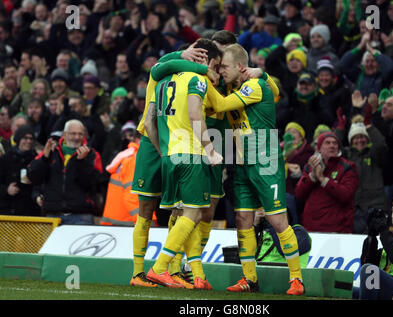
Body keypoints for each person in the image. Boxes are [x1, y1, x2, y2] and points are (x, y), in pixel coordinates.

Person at [212, 43, 304, 296]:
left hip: (266, 161)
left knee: (277, 220)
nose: (221, 72)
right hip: (242, 163)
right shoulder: (235, 84)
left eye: (225, 67)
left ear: (241, 67)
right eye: (219, 68)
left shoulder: (253, 86)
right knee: (243, 221)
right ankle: (249, 279)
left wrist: (262, 75)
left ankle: (296, 278)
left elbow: (220, 106)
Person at [128, 41, 219, 289]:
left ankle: (174, 270)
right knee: (147, 211)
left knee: (180, 208)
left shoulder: (183, 76)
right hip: (153, 142)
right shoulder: (166, 71)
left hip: (171, 146)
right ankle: (139, 273)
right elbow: (156, 70)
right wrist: (185, 57)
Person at [27, 119, 103, 225]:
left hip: (81, 215)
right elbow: (32, 176)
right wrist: (44, 158)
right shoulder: (51, 151)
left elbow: (94, 184)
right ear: (64, 134)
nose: (77, 137)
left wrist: (81, 163)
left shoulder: (92, 154)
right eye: (73, 134)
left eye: (80, 134)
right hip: (52, 214)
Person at [295, 131, 359, 233]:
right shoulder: (310, 166)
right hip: (311, 228)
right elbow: (299, 193)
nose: (332, 146)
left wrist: (323, 180)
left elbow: (346, 195)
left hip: (338, 229)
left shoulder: (348, 167)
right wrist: (312, 176)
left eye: (335, 143)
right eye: (327, 143)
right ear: (319, 148)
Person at [336, 120, 388, 234]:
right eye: (356, 137)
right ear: (351, 140)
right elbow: (333, 146)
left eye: (362, 137)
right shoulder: (346, 155)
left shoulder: (374, 154)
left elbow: (380, 144)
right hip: (354, 207)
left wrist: (370, 127)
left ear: (368, 139)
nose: (359, 140)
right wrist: (340, 128)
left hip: (376, 205)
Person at [100, 131, 140, 226]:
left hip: (118, 222)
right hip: (128, 223)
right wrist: (145, 222)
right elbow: (132, 196)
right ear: (139, 140)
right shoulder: (134, 159)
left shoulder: (127, 155)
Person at [0, 125, 41, 216]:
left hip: (30, 210)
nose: (28, 141)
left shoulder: (36, 158)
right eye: (25, 138)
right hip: (8, 210)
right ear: (18, 139)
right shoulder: (5, 159)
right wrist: (6, 190)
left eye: (31, 139)